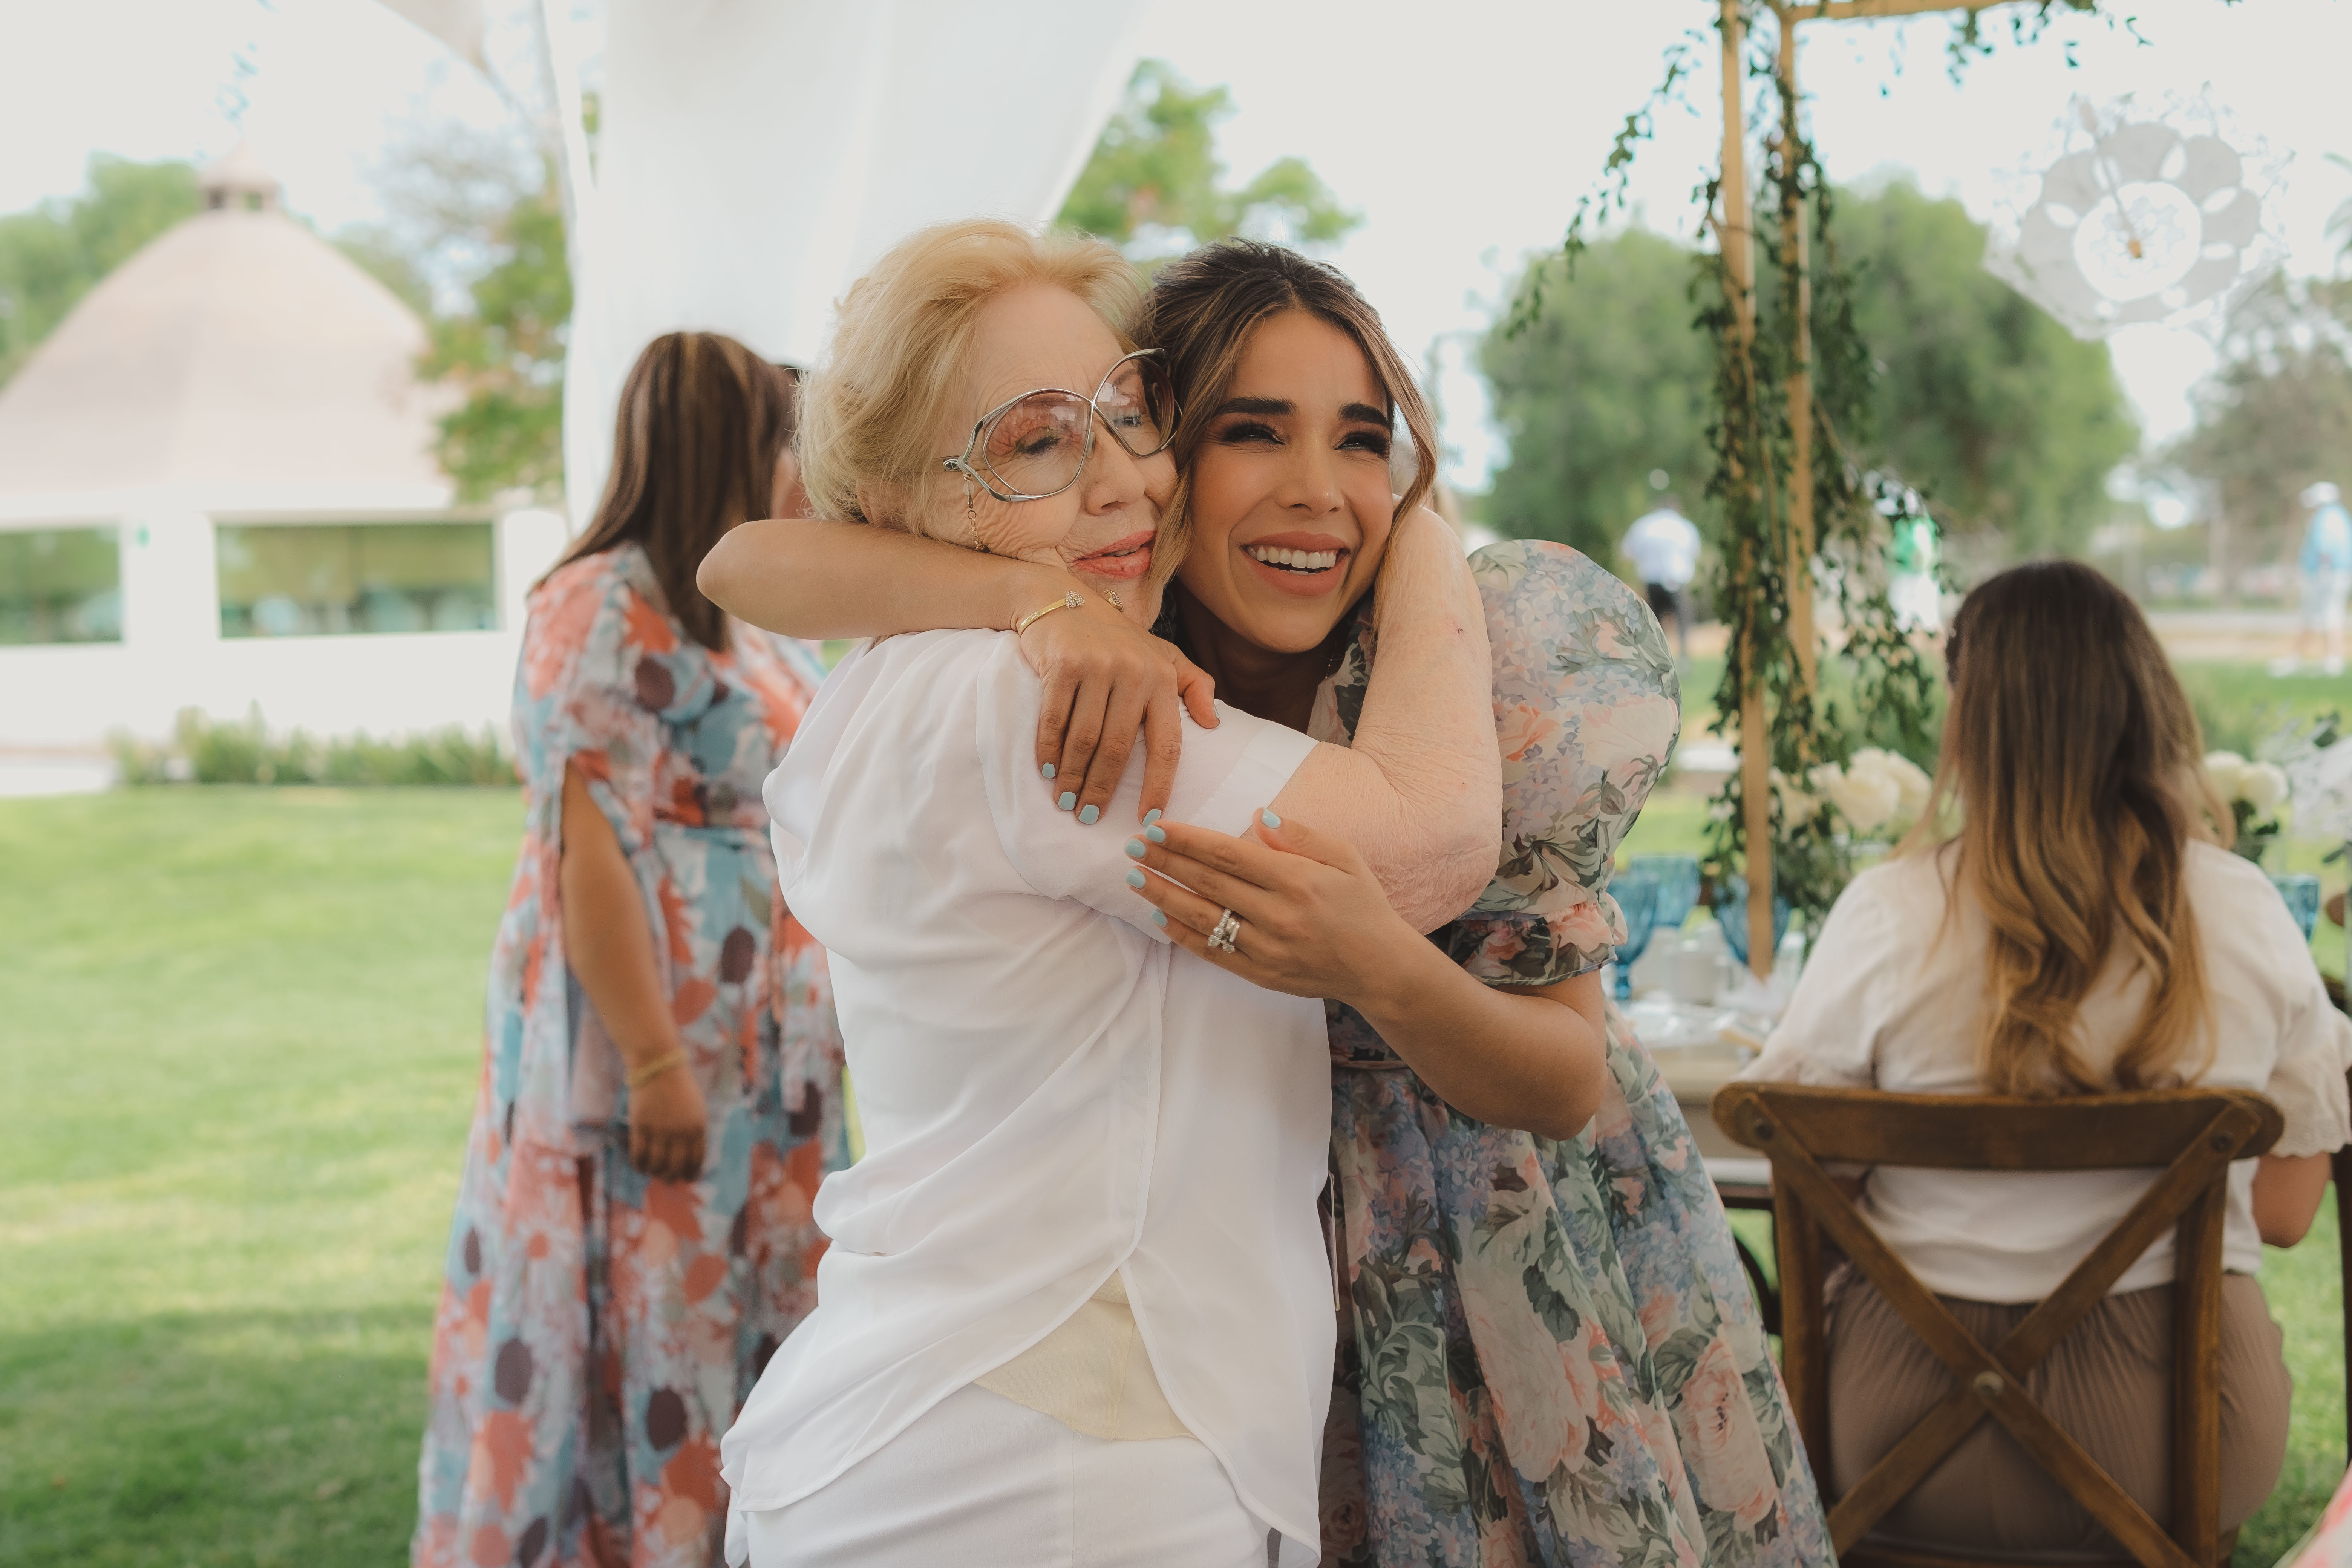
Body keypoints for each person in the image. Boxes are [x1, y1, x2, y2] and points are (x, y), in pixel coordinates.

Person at [704, 237, 1833, 1568]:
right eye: (1034, 444)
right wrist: (1412, 532)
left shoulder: (1024, 665)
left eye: (1129, 420)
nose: (1314, 491)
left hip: (1460, 1312)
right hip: (1071, 1443)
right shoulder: (1079, 694)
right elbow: (1430, 835)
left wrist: (1405, 534)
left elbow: (1564, 1068)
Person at [1740, 559, 2351, 1554]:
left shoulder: (1888, 915)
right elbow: (2285, 1219)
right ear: (2146, 701)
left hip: (1900, 1433)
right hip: (2179, 1428)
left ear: (1968, 720)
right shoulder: (2240, 910)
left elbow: (1819, 1190)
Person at [413, 334, 846, 1568]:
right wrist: (654, 1061)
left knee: (750, 1312)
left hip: (771, 1076)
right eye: (788, 439)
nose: (806, 470)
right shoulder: (600, 604)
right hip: (660, 1059)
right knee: (654, 1318)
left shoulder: (752, 626)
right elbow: (583, 847)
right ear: (730, 443)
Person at [2278, 480, 2352, 677]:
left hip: (2325, 574)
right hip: (2338, 574)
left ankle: (2297, 660)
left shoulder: (2325, 517)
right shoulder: (2341, 516)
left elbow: (2325, 546)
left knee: (2314, 616)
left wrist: (2324, 570)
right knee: (2331, 616)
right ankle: (2331, 660)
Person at [1621, 493, 1702, 662]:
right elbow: (1695, 552)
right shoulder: (1684, 526)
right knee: (1683, 623)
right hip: (1677, 581)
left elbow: (1627, 553)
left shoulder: (1645, 525)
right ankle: (1684, 658)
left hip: (1652, 582)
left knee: (1655, 624)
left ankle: (1659, 660)